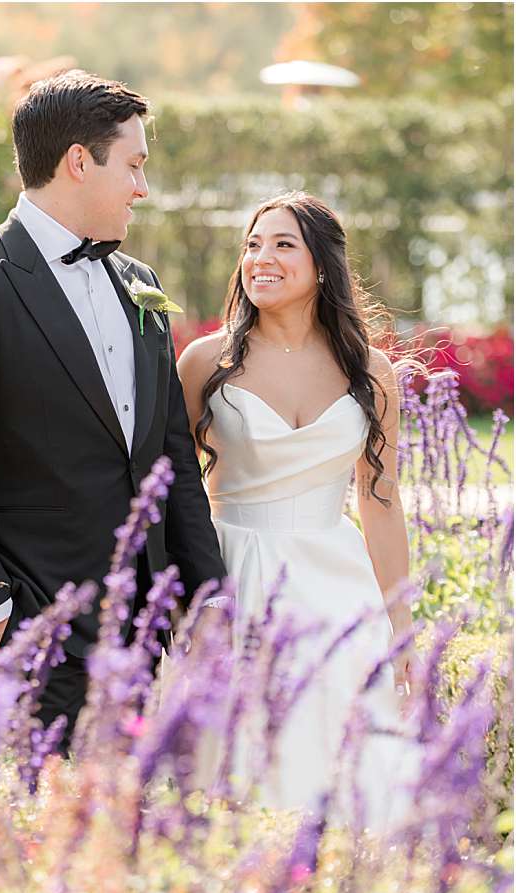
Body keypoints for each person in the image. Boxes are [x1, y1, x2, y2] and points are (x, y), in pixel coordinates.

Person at [0, 69, 228, 734]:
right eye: (133, 165)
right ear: (79, 161)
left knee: (120, 830)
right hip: (31, 632)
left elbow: (170, 461)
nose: (143, 187)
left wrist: (207, 599)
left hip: (139, 626)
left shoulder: (142, 285)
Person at [178, 191, 417, 825]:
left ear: (322, 264)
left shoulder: (371, 372)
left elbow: (381, 504)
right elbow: (168, 489)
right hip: (233, 574)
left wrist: (403, 627)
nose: (262, 258)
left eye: (283, 244)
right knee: (237, 759)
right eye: (253, 245)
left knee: (344, 752)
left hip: (338, 584)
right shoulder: (205, 363)